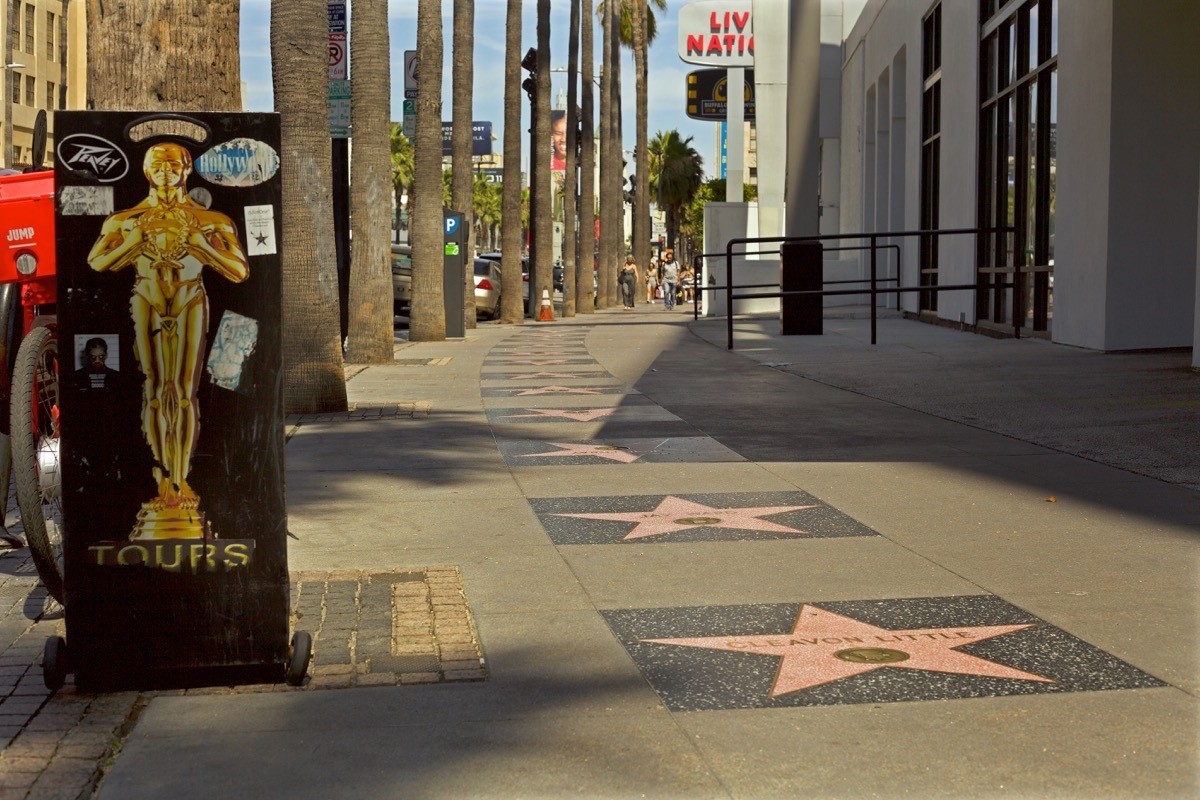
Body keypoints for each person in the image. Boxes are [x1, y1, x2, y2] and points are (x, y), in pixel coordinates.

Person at [87, 142, 250, 539]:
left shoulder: (210, 219)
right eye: (157, 166)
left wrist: (199, 245)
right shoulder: (127, 219)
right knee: (156, 391)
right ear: (146, 171)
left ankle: (182, 481)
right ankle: (164, 479)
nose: (165, 173)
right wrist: (134, 242)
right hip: (146, 297)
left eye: (172, 165)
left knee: (184, 392)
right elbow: (96, 262)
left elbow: (239, 270)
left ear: (186, 169)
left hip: (190, 296)